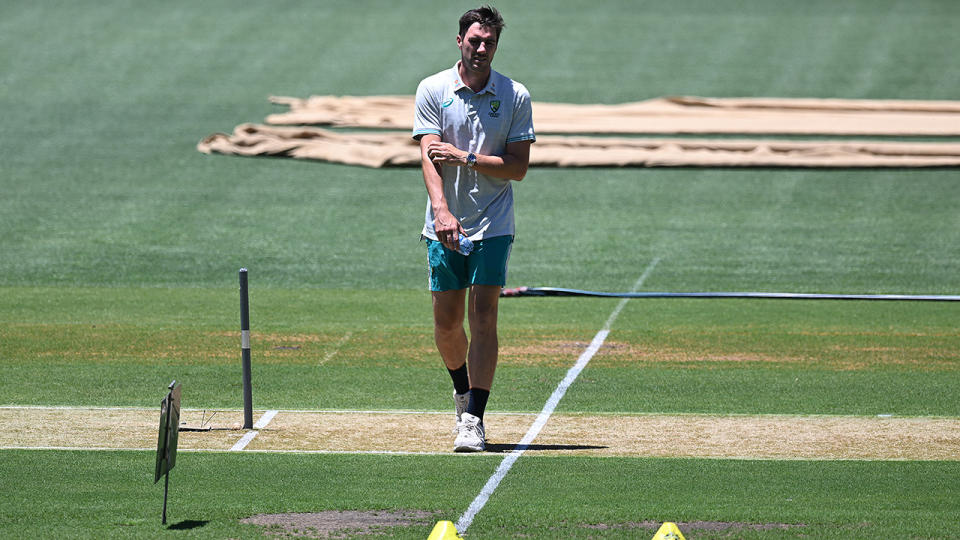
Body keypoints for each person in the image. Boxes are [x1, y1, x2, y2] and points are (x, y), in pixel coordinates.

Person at [412, 5, 535, 452]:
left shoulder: (514, 95)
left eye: (490, 43)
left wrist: (466, 158)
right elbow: (429, 155)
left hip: (494, 222)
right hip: (443, 223)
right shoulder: (433, 89)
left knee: (484, 314)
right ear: (460, 41)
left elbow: (518, 169)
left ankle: (474, 418)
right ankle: (461, 390)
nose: (482, 49)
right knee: (447, 324)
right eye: (475, 41)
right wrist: (441, 211)